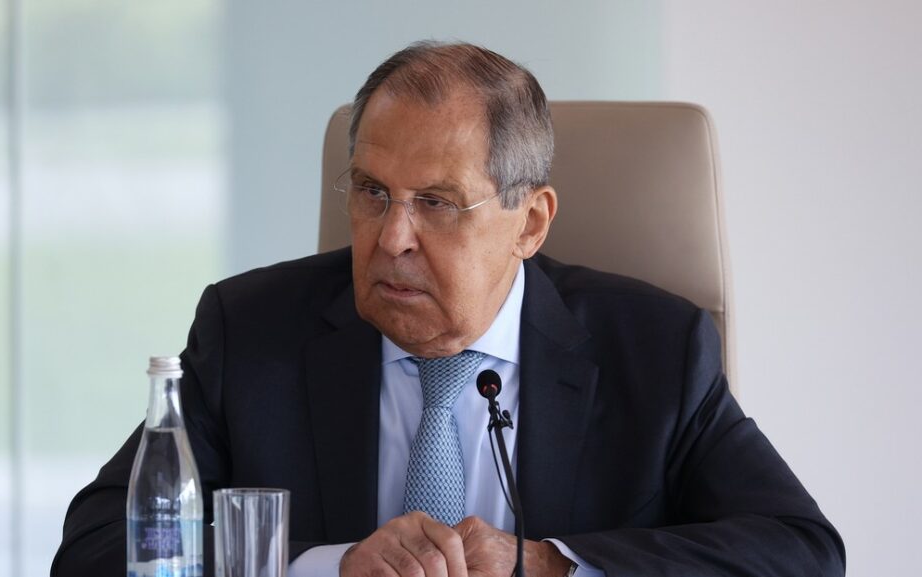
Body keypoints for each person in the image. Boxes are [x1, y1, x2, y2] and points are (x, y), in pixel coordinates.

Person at [52, 41, 845, 577]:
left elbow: (802, 550)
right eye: (372, 192)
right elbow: (95, 545)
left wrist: (550, 563)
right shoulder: (250, 330)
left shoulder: (656, 349)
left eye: (436, 202)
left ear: (529, 223)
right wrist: (329, 565)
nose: (391, 237)